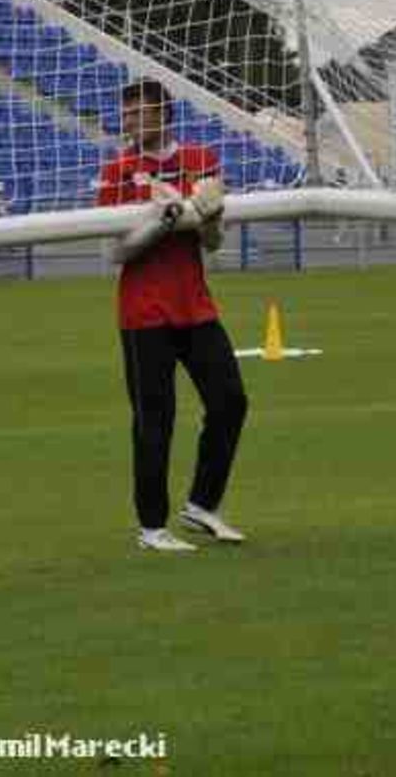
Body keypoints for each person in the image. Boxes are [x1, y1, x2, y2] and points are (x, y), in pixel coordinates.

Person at [96, 77, 249, 553]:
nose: (131, 121)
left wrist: (208, 217)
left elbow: (213, 245)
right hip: (144, 314)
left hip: (195, 306)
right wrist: (163, 220)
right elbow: (115, 252)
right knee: (154, 419)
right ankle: (151, 527)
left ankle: (202, 504)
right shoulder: (117, 170)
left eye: (140, 112)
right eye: (126, 114)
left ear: (164, 114)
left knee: (231, 401)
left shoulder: (201, 161)